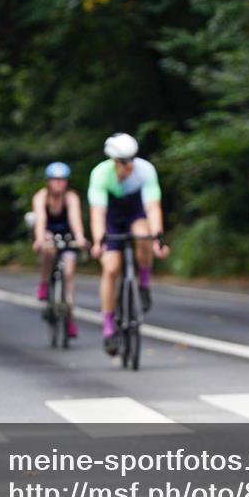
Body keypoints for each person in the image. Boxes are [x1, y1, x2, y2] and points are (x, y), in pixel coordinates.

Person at [88, 133, 169, 355]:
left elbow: (152, 207)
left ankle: (143, 284)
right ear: (114, 161)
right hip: (111, 217)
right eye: (125, 161)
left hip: (135, 212)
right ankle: (107, 328)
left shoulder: (145, 170)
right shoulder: (101, 174)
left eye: (133, 158)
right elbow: (98, 213)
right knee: (111, 267)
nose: (130, 165)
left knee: (143, 235)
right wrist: (98, 241)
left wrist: (158, 238)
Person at [31, 161, 88, 339]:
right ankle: (44, 283)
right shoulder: (41, 197)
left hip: (67, 236)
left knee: (69, 272)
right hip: (49, 234)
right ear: (48, 181)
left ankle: (69, 318)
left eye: (62, 180)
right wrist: (39, 239)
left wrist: (80, 237)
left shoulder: (71, 197)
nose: (59, 183)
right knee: (49, 250)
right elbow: (40, 220)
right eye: (55, 180)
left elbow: (75, 219)